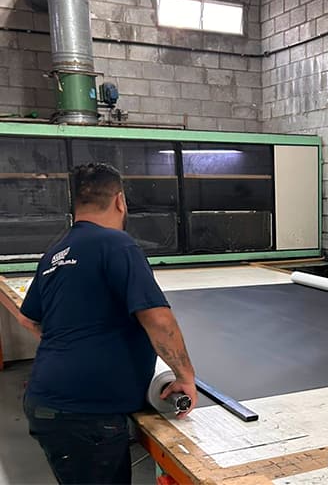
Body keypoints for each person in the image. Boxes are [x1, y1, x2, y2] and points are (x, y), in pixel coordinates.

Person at [17, 163, 198, 485]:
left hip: (48, 401)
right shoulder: (117, 244)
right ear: (120, 201)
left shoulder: (55, 254)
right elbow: (158, 320)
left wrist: (72, 348)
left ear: (75, 205)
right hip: (86, 414)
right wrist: (185, 376)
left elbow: (28, 318)